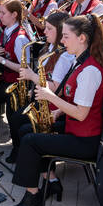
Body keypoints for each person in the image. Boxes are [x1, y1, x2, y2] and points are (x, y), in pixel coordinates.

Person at [8, 14, 103, 206]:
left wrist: (50, 97)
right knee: (29, 129)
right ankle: (51, 181)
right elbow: (75, 99)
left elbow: (81, 113)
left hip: (84, 140)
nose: (62, 41)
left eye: (66, 36)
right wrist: (57, 112)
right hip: (77, 129)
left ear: (82, 38)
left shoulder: (89, 70)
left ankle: (32, 195)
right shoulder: (80, 61)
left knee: (30, 141)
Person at [9, 11, 75, 161]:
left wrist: (32, 76)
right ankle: (21, 153)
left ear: (60, 31)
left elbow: (57, 89)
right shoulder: (50, 47)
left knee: (17, 120)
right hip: (42, 98)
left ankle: (24, 155)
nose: (44, 31)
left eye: (49, 28)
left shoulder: (65, 56)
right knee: (15, 117)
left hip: (53, 105)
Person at [0, 0, 31, 143]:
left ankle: (16, 149)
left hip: (17, 86)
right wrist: (2, 52)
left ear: (14, 14)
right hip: (7, 79)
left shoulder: (20, 38)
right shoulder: (7, 30)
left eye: (3, 13)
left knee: (13, 120)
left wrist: (0, 60)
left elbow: (25, 68)